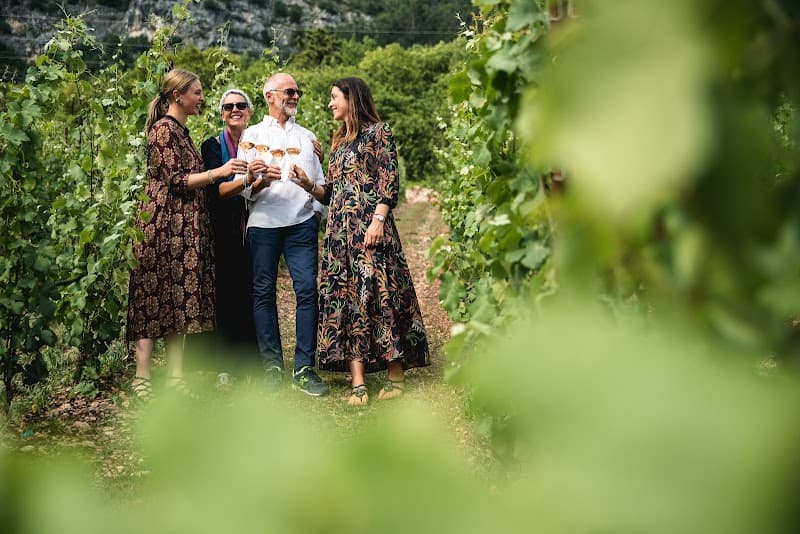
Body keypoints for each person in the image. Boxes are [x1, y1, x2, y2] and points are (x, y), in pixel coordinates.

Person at [291, 77, 430, 406]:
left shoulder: (379, 133)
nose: (330, 104)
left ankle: (395, 373)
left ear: (351, 99)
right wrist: (309, 184)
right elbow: (331, 193)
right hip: (339, 236)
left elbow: (389, 181)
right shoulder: (338, 141)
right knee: (345, 301)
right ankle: (358, 381)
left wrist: (378, 220)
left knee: (379, 296)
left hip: (370, 229)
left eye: (334, 97)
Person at [126, 69, 249, 399]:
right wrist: (219, 172)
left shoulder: (181, 131)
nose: (202, 98)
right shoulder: (163, 130)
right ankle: (142, 376)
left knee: (177, 300)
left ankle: (175, 376)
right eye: (197, 92)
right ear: (177, 96)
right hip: (161, 226)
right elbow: (177, 180)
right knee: (151, 297)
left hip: (182, 229)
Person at [235, 72, 330, 396]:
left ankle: (304, 368)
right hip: (263, 223)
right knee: (263, 293)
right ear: (270, 96)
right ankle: (272, 367)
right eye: (290, 91)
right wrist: (259, 181)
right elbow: (242, 187)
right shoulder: (252, 135)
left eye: (297, 91)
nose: (296, 96)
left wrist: (315, 213)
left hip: (301, 224)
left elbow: (321, 183)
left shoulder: (307, 137)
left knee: (307, 290)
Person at [186, 89, 258, 385]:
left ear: (249, 111)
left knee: (252, 291)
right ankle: (224, 362)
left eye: (240, 105)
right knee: (225, 292)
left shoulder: (260, 142)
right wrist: (246, 180)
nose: (234, 110)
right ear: (221, 114)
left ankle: (252, 360)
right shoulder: (212, 145)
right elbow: (214, 191)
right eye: (228, 107)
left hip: (256, 222)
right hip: (222, 228)